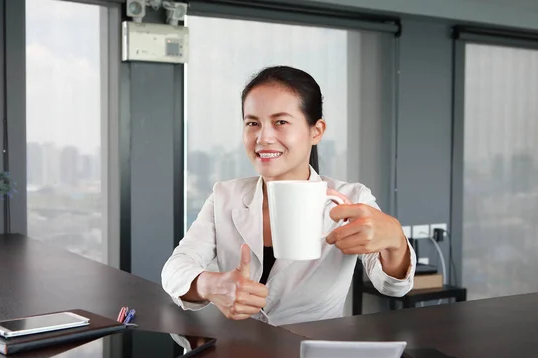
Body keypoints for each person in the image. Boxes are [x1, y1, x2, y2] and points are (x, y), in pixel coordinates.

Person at [162, 66, 416, 326]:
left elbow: (394, 287)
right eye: (253, 123)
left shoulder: (352, 198)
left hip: (312, 354)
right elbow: (175, 267)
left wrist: (395, 241)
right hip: (236, 354)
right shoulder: (225, 196)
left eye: (280, 122)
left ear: (316, 131)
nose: (263, 137)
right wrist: (210, 285)